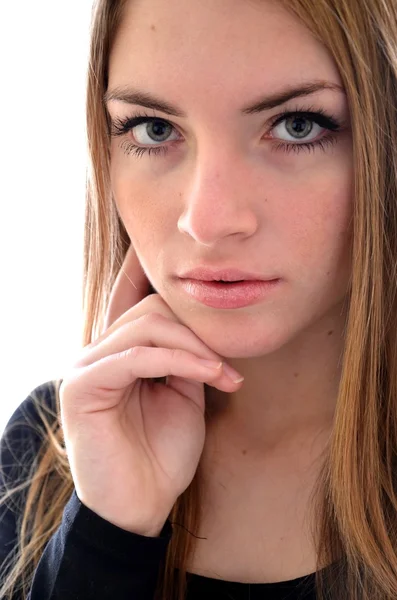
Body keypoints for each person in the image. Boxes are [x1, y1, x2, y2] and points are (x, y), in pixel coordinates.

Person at [1, 0, 397, 598]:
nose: (206, 220)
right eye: (153, 129)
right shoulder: (48, 448)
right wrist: (104, 533)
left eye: (297, 125)